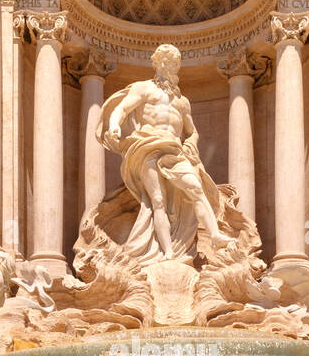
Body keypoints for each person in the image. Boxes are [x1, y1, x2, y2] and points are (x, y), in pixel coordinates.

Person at [98, 44, 237, 264]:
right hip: (146, 146)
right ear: (156, 64)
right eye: (165, 62)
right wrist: (115, 125)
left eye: (174, 63)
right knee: (158, 201)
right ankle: (168, 252)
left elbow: (192, 132)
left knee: (196, 188)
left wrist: (192, 143)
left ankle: (215, 235)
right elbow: (122, 109)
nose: (169, 67)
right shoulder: (144, 89)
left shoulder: (182, 102)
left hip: (174, 150)